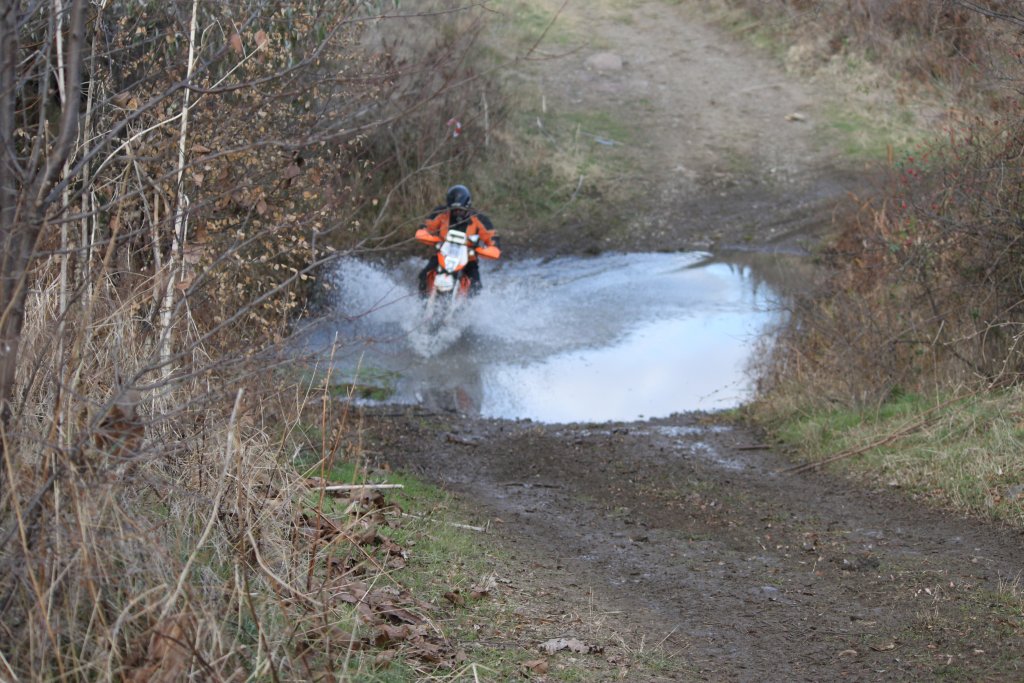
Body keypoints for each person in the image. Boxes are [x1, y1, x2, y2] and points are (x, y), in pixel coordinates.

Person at [417, 184, 499, 296]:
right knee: (424, 275)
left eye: (460, 210)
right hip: (443, 254)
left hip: (468, 259)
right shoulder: (441, 213)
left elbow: (493, 241)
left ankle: (468, 310)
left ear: (468, 206)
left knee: (476, 286)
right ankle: (422, 304)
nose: (457, 213)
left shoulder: (480, 219)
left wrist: (482, 249)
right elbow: (425, 228)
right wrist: (432, 238)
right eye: (454, 210)